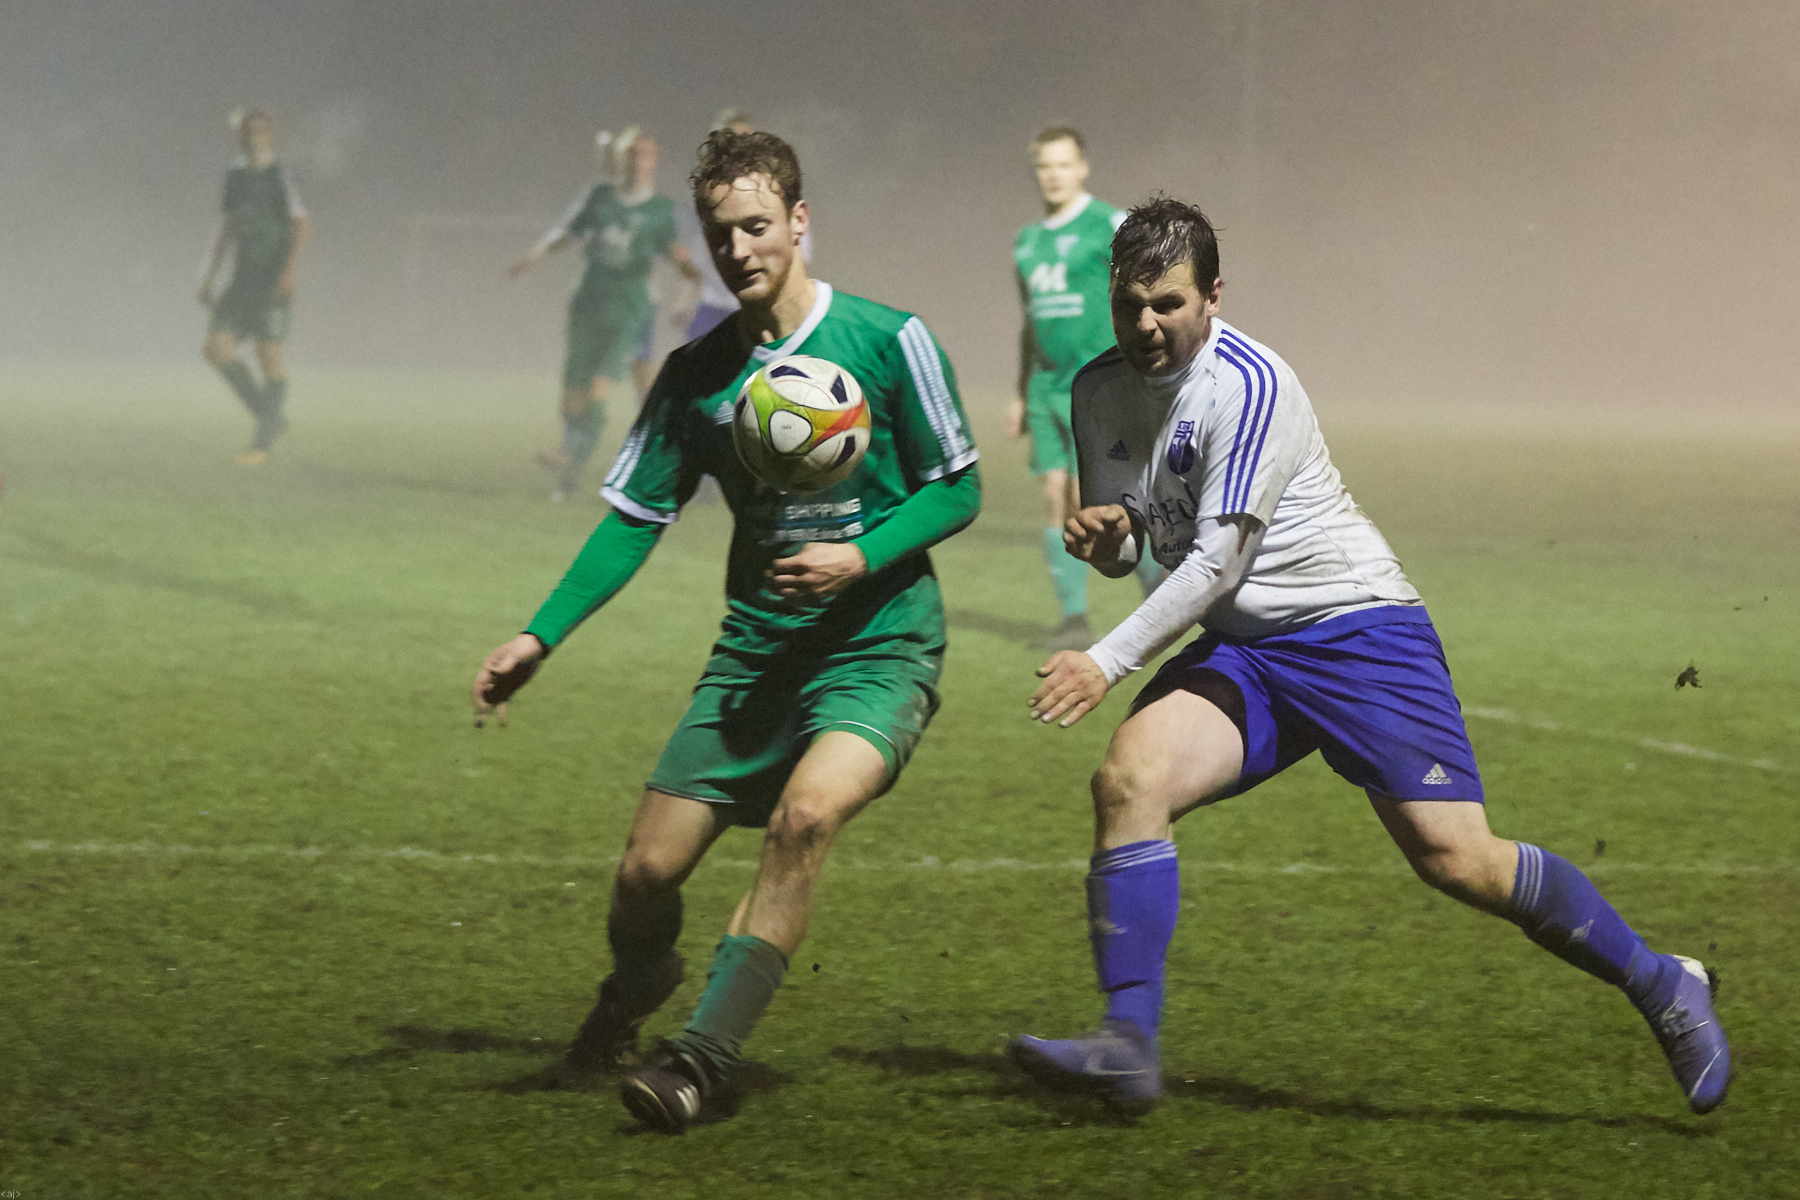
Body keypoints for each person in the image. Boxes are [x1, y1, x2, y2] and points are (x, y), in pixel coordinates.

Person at [1008, 197, 1731, 1117]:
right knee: (1129, 780)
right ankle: (1127, 1045)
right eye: (1129, 305)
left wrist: (1104, 662)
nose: (1146, 325)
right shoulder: (1097, 389)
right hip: (1248, 648)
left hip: (1356, 632)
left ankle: (1665, 983)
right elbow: (1132, 545)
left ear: (1213, 295)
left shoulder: (1253, 386)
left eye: (1168, 303)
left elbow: (1218, 560)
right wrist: (1108, 539)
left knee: (1457, 859)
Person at [472, 129, 981, 1134]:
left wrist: (860, 556)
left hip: (878, 646)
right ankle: (641, 979)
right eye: (720, 234)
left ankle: (698, 1062)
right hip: (756, 655)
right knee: (644, 876)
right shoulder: (697, 374)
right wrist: (540, 636)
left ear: (799, 220)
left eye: (756, 226)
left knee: (805, 819)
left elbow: (957, 488)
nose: (739, 249)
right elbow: (634, 518)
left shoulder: (890, 340)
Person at [1009, 127, 1158, 652]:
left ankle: (1161, 592)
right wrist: (1020, 392)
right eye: (1044, 166)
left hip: (1095, 383)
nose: (1054, 175)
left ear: (1082, 168)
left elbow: (1148, 290)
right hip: (1045, 384)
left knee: (1090, 498)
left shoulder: (1109, 225)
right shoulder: (1026, 241)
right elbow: (1030, 322)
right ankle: (1074, 620)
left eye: (1063, 164)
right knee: (1055, 497)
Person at [511, 128, 701, 502]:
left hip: (629, 308)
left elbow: (673, 251)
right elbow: (569, 234)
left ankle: (574, 462)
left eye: (643, 155)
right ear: (618, 159)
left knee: (603, 387)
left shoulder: (660, 209)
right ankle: (573, 466)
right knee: (572, 397)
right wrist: (533, 257)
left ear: (653, 162)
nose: (636, 162)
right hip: (588, 302)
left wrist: (688, 276)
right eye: (630, 154)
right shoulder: (600, 198)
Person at [198, 109, 309, 465]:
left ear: (271, 135)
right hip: (241, 280)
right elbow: (227, 227)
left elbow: (302, 225)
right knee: (215, 349)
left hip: (271, 279)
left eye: (260, 130)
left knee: (269, 354)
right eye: (248, 131)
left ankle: (261, 445)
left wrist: (287, 274)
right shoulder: (236, 176)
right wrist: (209, 276)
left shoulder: (280, 175)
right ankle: (271, 417)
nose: (253, 136)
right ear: (240, 136)